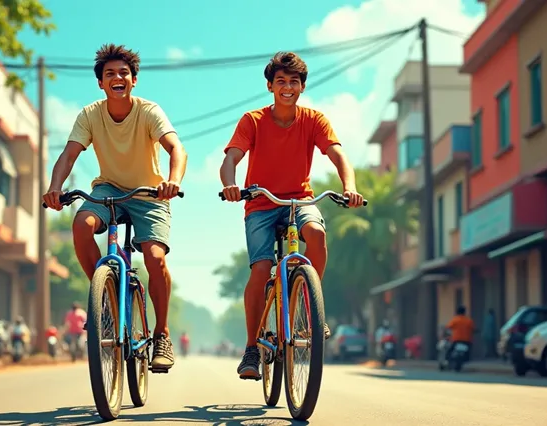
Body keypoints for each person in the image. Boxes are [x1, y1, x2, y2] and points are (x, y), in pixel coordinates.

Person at [42, 43, 188, 373]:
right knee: (81, 224)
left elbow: (176, 148)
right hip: (108, 189)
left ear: (133, 80)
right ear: (101, 83)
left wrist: (172, 179)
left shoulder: (149, 111)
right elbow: (68, 155)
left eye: (124, 73)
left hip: (149, 192)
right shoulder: (90, 115)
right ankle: (104, 298)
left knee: (154, 257)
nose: (117, 77)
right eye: (110, 74)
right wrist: (54, 188)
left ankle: (161, 334)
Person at [219, 51, 365, 380]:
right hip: (260, 203)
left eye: (294, 82)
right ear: (270, 86)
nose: (287, 87)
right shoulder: (252, 120)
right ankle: (251, 349)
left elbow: (338, 156)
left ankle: (311, 305)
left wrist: (350, 186)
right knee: (261, 269)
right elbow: (230, 159)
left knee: (317, 234)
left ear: (302, 88)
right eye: (281, 81)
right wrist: (230, 185)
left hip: (300, 200)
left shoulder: (314, 120)